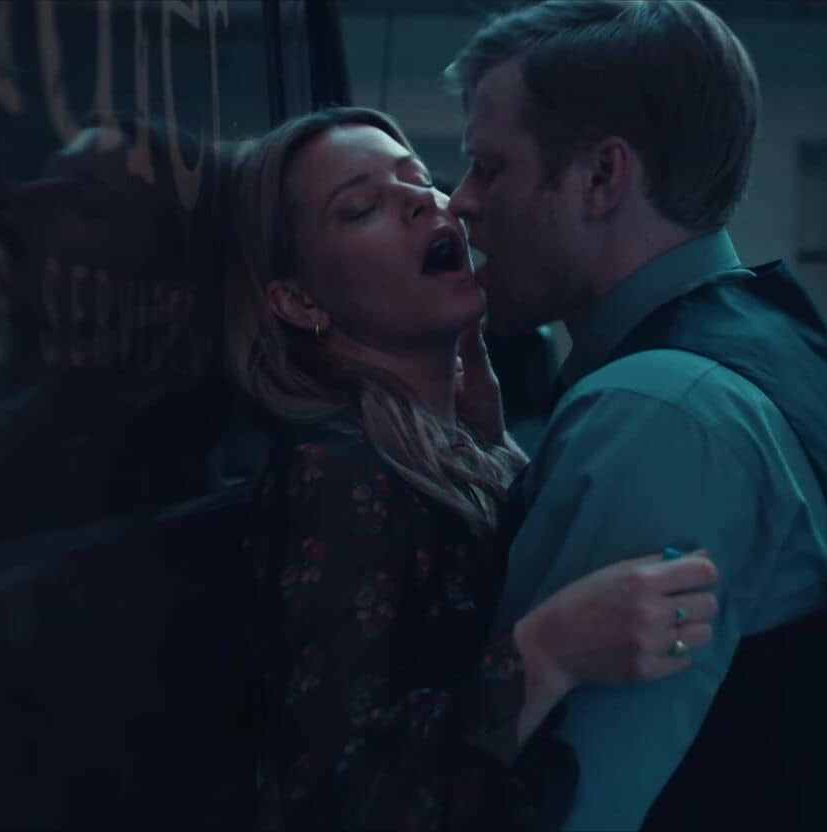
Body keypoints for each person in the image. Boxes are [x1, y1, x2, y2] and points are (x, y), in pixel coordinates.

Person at [441, 2, 827, 830]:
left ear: (601, 177)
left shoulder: (658, 412)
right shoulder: (774, 336)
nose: (459, 202)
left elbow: (560, 807)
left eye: (488, 167)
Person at [218, 105, 724, 831]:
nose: (425, 201)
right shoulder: (335, 475)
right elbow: (335, 800)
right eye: (361, 207)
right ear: (298, 301)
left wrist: (493, 447)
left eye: (419, 177)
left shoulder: (458, 441)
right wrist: (548, 652)